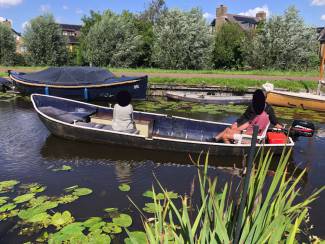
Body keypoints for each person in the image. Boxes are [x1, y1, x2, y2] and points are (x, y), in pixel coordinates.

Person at [213, 89, 281, 143]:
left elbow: (257, 130)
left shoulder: (264, 114)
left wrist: (242, 133)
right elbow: (246, 118)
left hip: (251, 137)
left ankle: (229, 147)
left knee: (227, 134)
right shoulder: (254, 108)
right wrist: (237, 125)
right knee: (228, 129)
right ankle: (214, 140)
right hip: (247, 129)